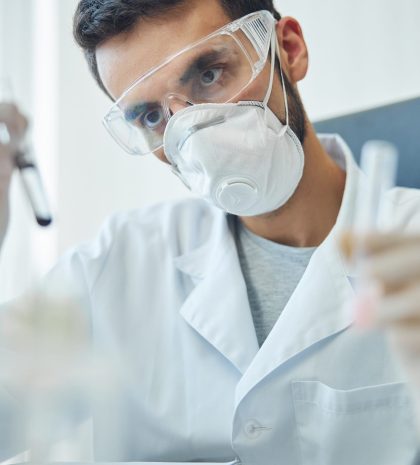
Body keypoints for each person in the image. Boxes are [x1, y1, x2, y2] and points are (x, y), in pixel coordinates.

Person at [1, 0, 420, 463]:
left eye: (209, 74)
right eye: (152, 117)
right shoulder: (117, 265)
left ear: (289, 49)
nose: (192, 131)